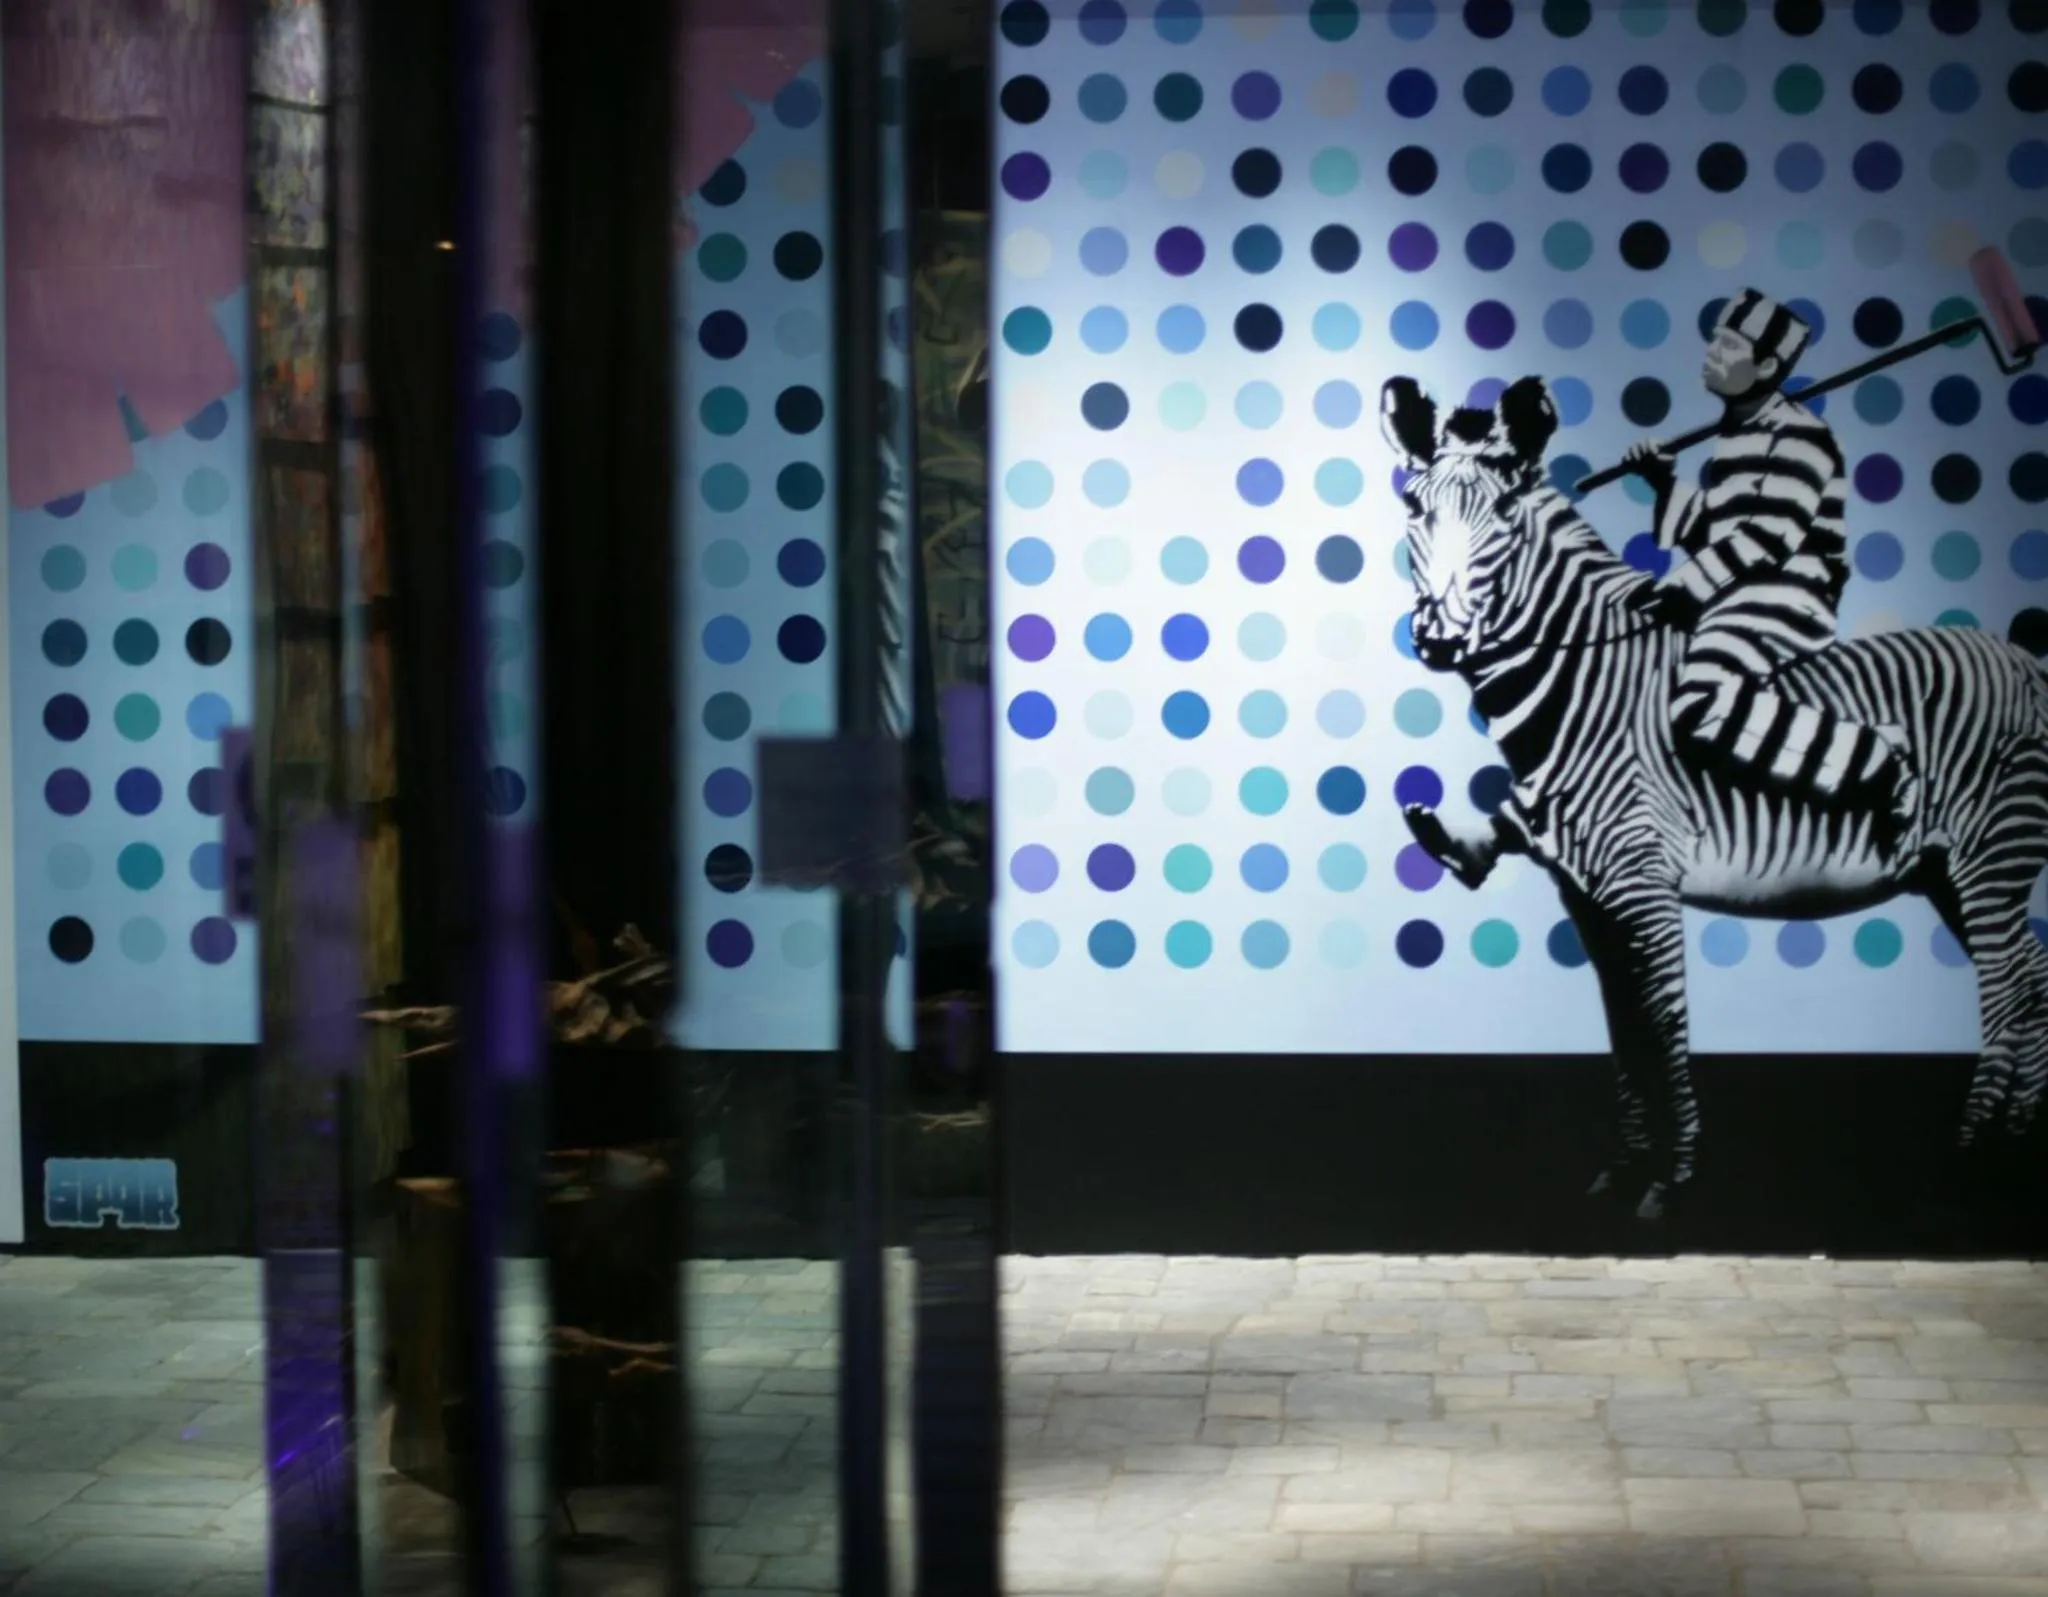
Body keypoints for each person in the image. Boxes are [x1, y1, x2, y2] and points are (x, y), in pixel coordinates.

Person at [1623, 288, 1921, 848]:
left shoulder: (1801, 436)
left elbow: (1765, 540)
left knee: (1699, 703)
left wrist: (1679, 588)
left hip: (1787, 596)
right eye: (1714, 340)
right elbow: (1718, 532)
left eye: (1729, 345)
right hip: (1738, 593)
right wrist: (1664, 481)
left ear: (1765, 365)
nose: (1711, 353)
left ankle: (1877, 760)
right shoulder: (1736, 436)